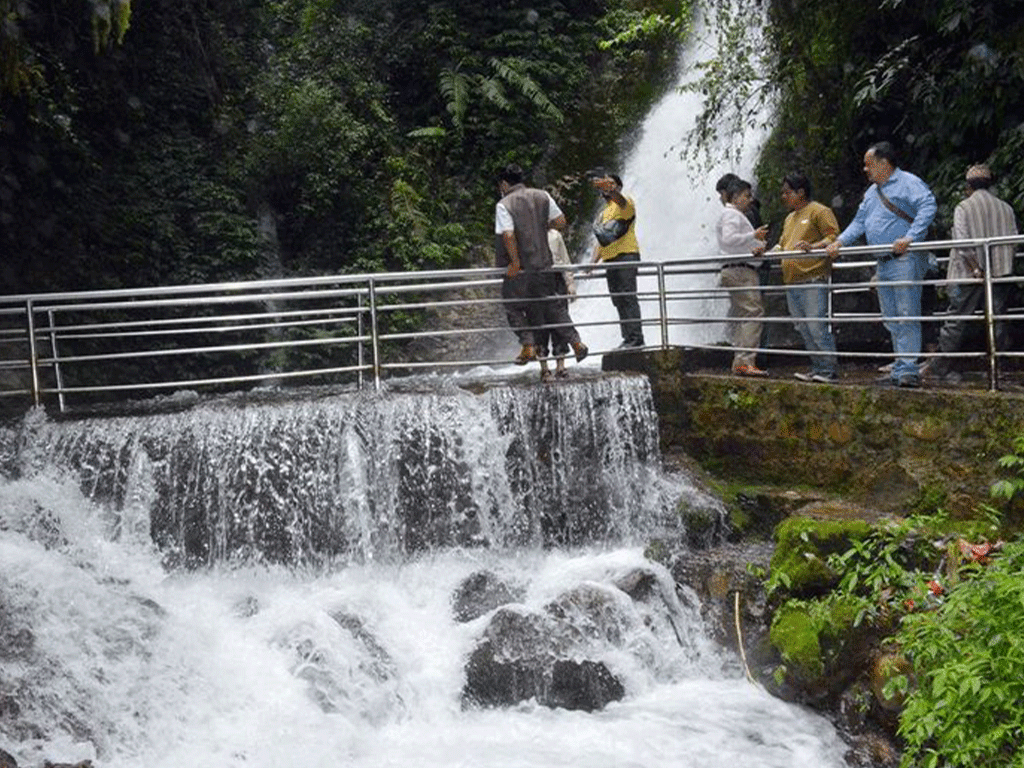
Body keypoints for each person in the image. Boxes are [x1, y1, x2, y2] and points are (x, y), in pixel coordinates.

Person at [825, 141, 936, 388]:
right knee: (891, 316)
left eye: (869, 165)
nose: (865, 170)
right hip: (884, 261)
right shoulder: (872, 193)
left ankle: (908, 369)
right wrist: (839, 242)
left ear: (884, 163)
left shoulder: (909, 182)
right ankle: (901, 366)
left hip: (905, 258)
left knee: (907, 313)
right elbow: (859, 222)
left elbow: (928, 206)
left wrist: (911, 237)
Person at [925, 164, 1019, 381]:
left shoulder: (964, 208)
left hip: (969, 274)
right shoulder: (1005, 208)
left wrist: (976, 267)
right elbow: (1014, 239)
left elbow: (962, 242)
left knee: (957, 319)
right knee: (997, 318)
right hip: (1000, 271)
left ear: (969, 186)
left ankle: (941, 366)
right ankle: (999, 366)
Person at [495, 164, 587, 371]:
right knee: (552, 305)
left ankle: (528, 345)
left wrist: (515, 262)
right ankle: (576, 342)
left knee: (512, 304)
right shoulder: (543, 195)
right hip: (545, 264)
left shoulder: (504, 204)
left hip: (522, 269)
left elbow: (508, 235)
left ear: (503, 183)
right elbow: (561, 221)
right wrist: (539, 228)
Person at [775, 172, 841, 383]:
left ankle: (829, 370)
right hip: (792, 281)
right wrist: (766, 252)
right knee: (803, 327)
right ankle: (817, 367)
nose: (783, 196)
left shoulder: (820, 211)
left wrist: (812, 247)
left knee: (816, 325)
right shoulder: (789, 218)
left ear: (800, 192)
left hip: (813, 277)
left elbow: (833, 237)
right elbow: (782, 244)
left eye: (787, 192)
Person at [715, 178, 770, 376]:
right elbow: (730, 239)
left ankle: (741, 361)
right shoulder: (731, 215)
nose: (750, 199)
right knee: (753, 314)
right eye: (747, 195)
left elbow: (730, 243)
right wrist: (753, 235)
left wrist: (754, 249)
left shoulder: (730, 214)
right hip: (741, 271)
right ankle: (745, 362)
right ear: (736, 196)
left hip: (736, 268)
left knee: (744, 315)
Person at [589, 172, 645, 349]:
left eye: (612, 184)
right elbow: (602, 241)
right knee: (618, 299)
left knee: (627, 297)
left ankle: (636, 338)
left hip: (626, 255)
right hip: (611, 260)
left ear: (619, 188)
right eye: (605, 184)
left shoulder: (625, 203)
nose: (608, 187)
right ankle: (628, 338)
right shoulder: (603, 213)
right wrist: (592, 263)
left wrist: (611, 190)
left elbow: (620, 200)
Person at [537, 228, 577, 380]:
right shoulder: (526, 233)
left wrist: (570, 283)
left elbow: (565, 259)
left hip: (556, 279)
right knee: (540, 324)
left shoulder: (555, 235)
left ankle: (561, 366)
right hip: (537, 280)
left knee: (560, 321)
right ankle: (544, 368)